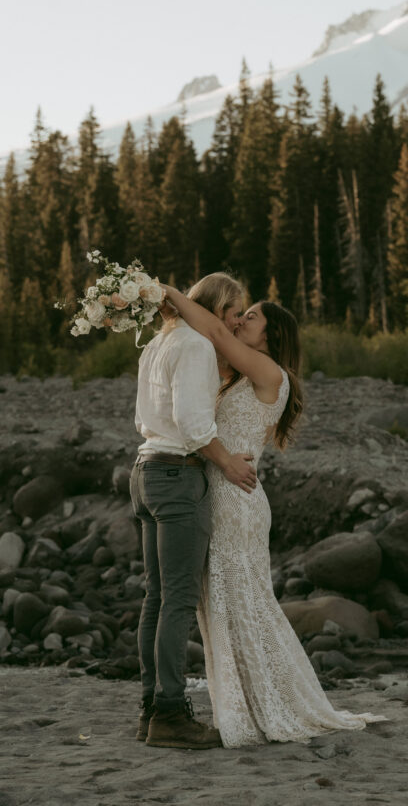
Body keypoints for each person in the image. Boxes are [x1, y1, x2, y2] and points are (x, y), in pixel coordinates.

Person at [162, 285, 386, 746]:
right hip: (224, 493)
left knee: (241, 604)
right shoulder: (241, 376)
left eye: (252, 317)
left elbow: (214, 332)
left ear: (272, 335)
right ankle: (251, 704)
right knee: (226, 604)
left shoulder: (270, 372)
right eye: (242, 314)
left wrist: (168, 292)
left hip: (235, 498)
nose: (240, 320)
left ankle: (267, 706)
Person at [131, 272, 257, 750]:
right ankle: (168, 714)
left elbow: (144, 419)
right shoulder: (199, 348)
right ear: (216, 305)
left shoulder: (157, 344)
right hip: (178, 477)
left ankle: (150, 710)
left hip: (144, 470)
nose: (233, 324)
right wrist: (227, 462)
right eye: (232, 313)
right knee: (178, 600)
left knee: (156, 597)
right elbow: (191, 421)